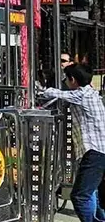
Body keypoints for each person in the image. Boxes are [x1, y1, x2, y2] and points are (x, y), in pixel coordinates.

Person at [39, 64, 105, 222]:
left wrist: (40, 90)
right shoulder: (91, 93)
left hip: (95, 153)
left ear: (73, 80)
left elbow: (55, 93)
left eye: (66, 78)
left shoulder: (82, 95)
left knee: (80, 196)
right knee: (96, 193)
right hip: (100, 152)